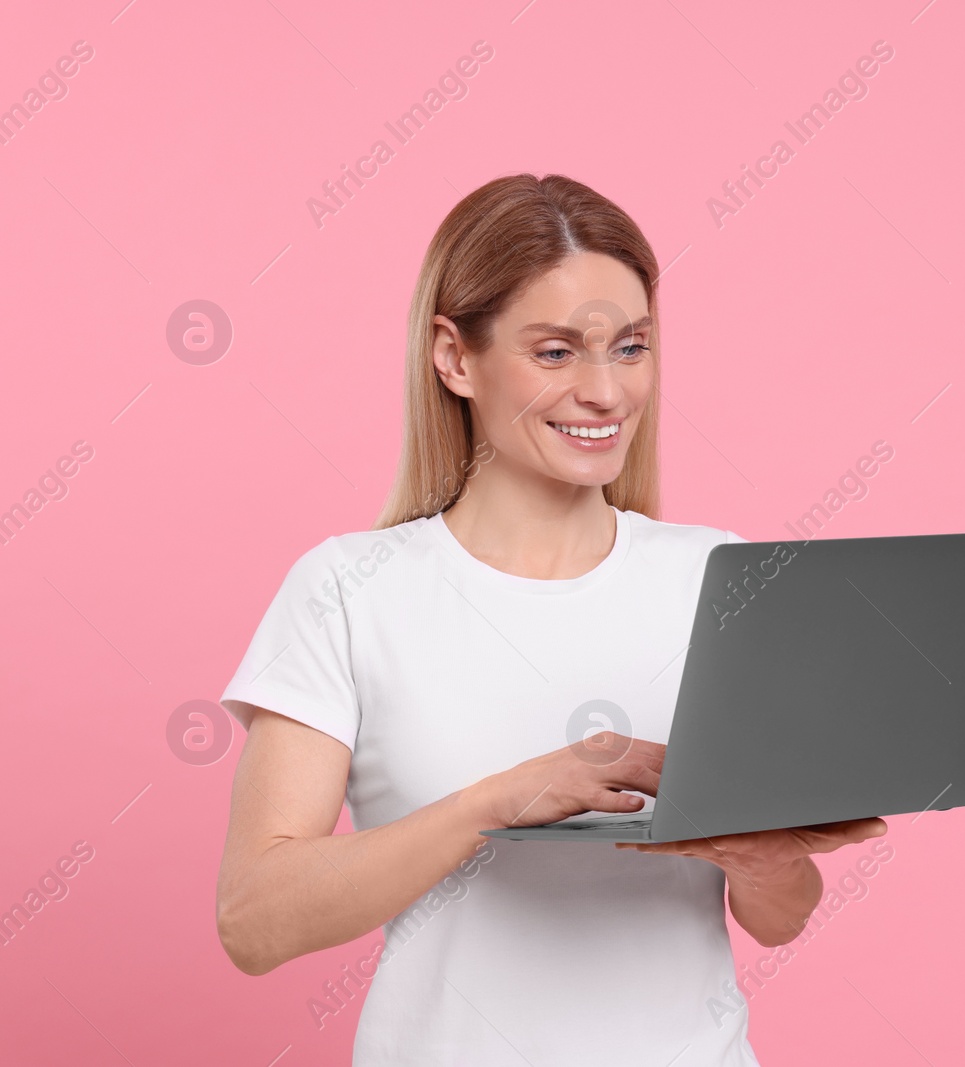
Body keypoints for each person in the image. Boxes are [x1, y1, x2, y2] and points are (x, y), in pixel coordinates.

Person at [214, 173, 887, 1066]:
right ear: (454, 356)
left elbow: (781, 915)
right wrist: (498, 803)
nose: (607, 393)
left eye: (632, 347)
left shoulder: (718, 574)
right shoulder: (349, 590)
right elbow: (254, 919)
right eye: (558, 352)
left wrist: (763, 861)